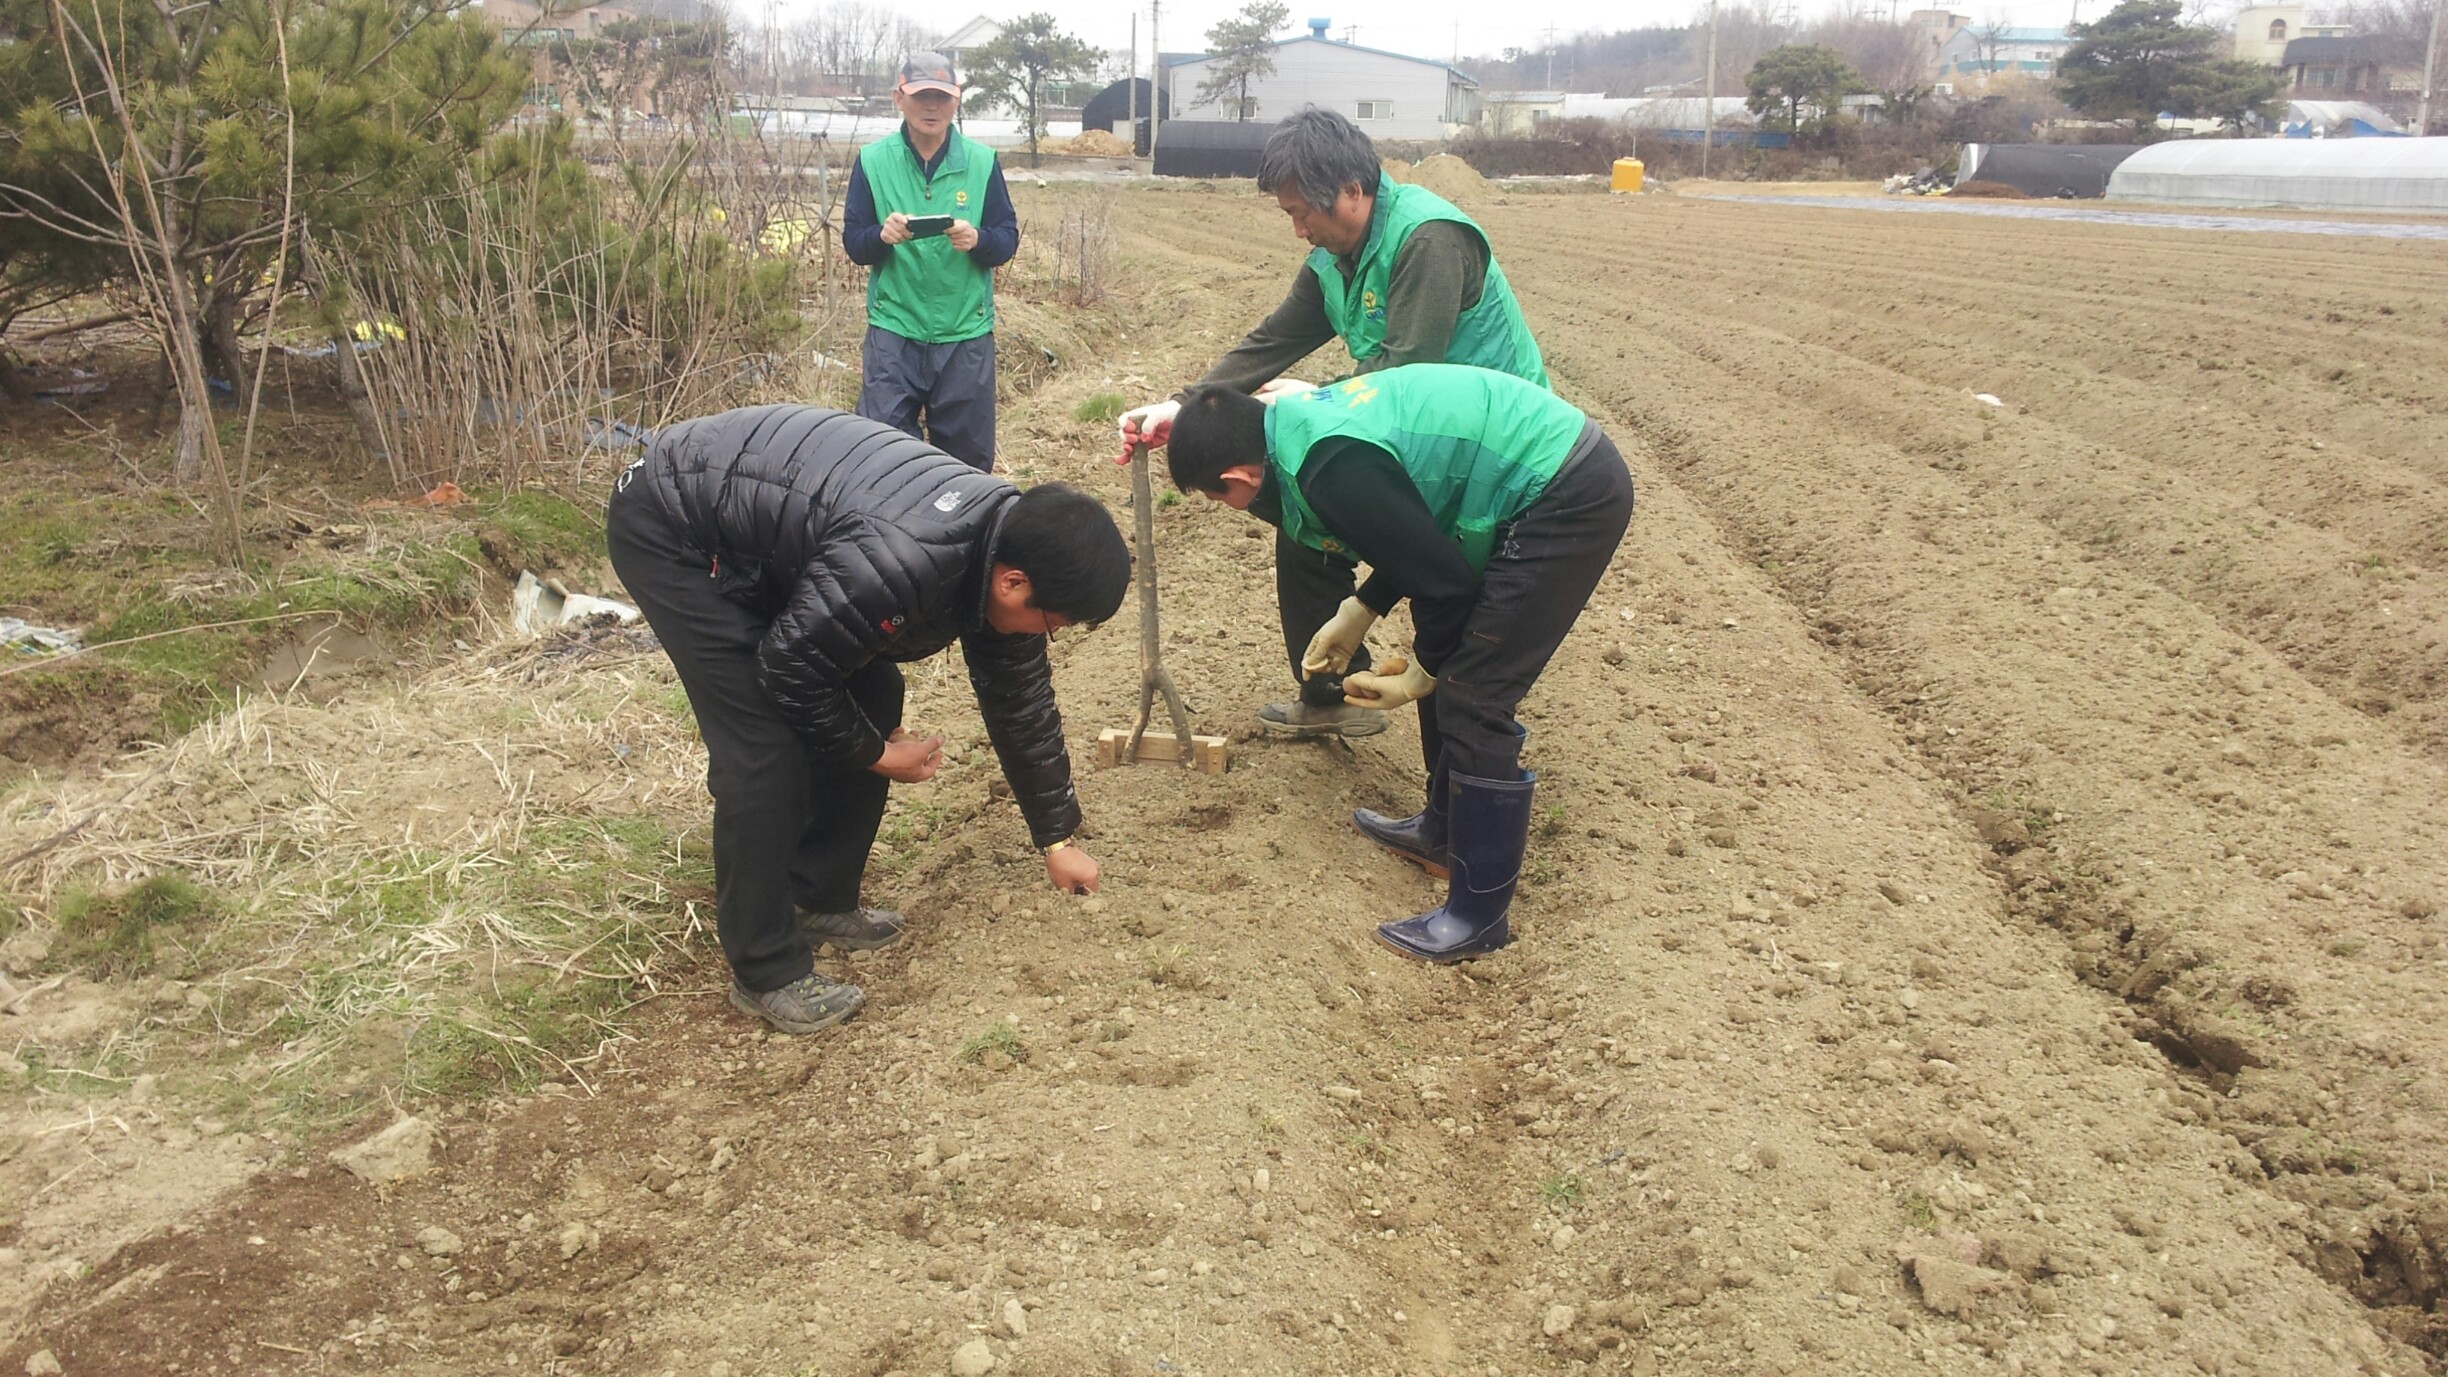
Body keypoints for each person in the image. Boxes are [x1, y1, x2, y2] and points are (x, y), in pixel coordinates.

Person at [608, 405, 1128, 1033]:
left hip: (761, 513)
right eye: (1058, 622)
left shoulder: (1002, 547)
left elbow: (1022, 706)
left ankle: (816, 896)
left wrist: (1057, 839)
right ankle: (764, 969)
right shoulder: (903, 561)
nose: (1056, 634)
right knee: (763, 750)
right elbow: (789, 670)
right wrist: (878, 756)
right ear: (1014, 585)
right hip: (674, 526)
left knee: (872, 692)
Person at [1164, 366, 1632, 963]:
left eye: (1218, 496)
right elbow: (1413, 535)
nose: (1226, 506)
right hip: (1538, 473)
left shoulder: (1328, 468)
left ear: (1239, 475)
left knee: (1473, 692)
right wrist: (1361, 608)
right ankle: (1442, 834)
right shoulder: (1299, 432)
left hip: (1565, 489)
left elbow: (1445, 588)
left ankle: (1477, 916)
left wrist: (1420, 676)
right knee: (1454, 659)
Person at [1116, 107, 1548, 743]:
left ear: (1352, 190)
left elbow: (1407, 373)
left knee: (1451, 606)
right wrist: (1185, 406)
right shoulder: (1334, 255)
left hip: (1491, 457)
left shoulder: (1426, 240)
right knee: (1307, 527)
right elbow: (1273, 340)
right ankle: (1332, 693)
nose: (1297, 229)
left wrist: (1315, 399)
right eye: (1288, 213)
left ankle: (1462, 773)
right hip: (1423, 442)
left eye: (1300, 212)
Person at [843, 52, 1019, 472]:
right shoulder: (872, 161)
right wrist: (881, 238)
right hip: (894, 332)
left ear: (956, 102)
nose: (932, 107)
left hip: (964, 334)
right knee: (880, 457)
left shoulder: (981, 162)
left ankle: (960, 537)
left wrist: (978, 239)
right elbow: (854, 243)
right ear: (898, 98)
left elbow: (1006, 239)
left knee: (967, 466)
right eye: (921, 96)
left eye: (942, 97)